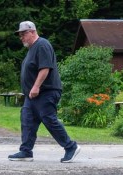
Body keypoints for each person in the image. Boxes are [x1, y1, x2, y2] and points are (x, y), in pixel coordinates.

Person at [9, 21, 79, 163]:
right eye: (20, 35)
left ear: (32, 32)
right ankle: (26, 151)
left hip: (46, 91)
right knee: (27, 119)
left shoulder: (42, 45)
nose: (21, 37)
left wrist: (36, 87)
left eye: (23, 34)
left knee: (48, 118)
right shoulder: (32, 49)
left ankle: (70, 147)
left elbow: (45, 68)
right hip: (33, 94)